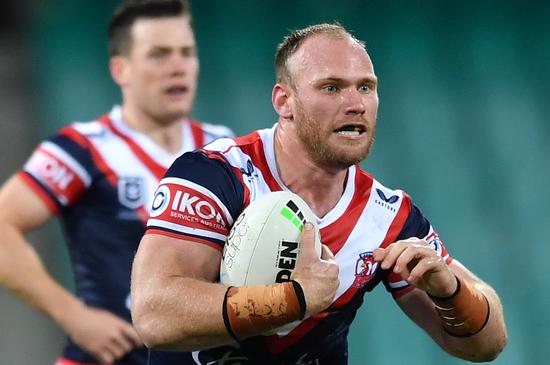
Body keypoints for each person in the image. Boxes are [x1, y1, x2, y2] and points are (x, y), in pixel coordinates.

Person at [130, 23, 508, 364]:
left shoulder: (388, 215)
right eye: (331, 87)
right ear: (284, 102)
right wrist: (295, 299)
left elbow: (487, 345)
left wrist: (450, 292)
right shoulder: (215, 175)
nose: (356, 103)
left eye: (366, 87)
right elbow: (155, 315)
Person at [0, 1, 234, 364]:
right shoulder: (83, 148)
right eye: (159, 54)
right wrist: (72, 315)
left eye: (187, 53)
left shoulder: (224, 149)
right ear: (120, 69)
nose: (178, 67)